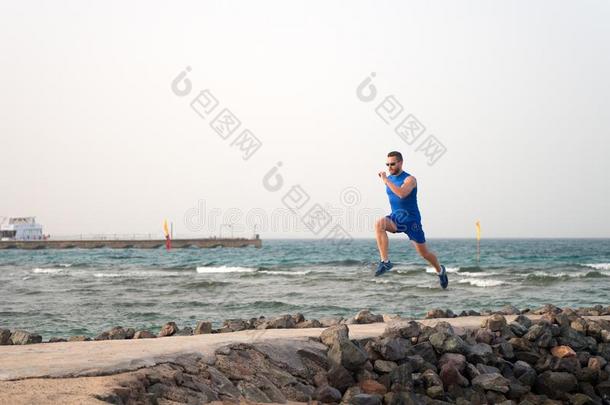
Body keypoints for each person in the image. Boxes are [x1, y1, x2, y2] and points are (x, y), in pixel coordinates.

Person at [374, 151, 448, 289]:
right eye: (387, 164)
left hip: (412, 222)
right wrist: (387, 180)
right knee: (379, 224)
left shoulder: (410, 179)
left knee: (424, 254)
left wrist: (385, 180)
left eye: (392, 164)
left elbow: (402, 194)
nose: (389, 167)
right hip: (396, 218)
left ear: (400, 163)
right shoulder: (389, 178)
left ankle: (440, 270)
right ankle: (385, 261)